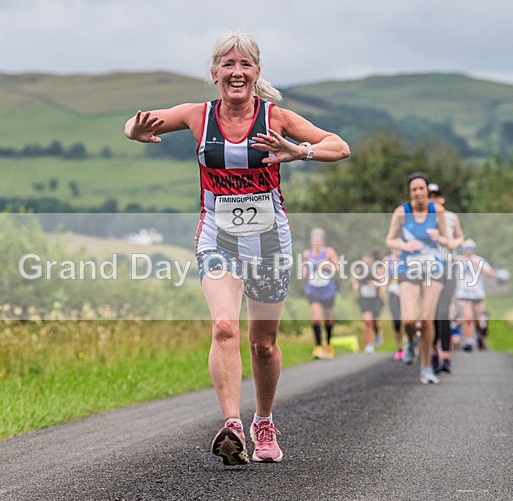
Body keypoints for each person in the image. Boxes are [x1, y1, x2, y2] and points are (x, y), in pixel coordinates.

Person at [125, 31, 349, 466]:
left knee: (262, 344)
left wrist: (297, 151)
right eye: (228, 65)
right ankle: (232, 425)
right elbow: (137, 122)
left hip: (269, 242)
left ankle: (263, 421)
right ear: (214, 74)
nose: (237, 72)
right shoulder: (197, 116)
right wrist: (135, 130)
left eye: (245, 65)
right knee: (224, 327)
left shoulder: (276, 118)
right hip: (217, 238)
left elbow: (338, 146)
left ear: (257, 73)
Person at [385, 173, 450, 384]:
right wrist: (403, 245)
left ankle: (426, 367)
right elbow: (390, 239)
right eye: (414, 190)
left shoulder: (437, 211)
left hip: (434, 268)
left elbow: (447, 241)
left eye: (421, 188)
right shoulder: (401, 213)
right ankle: (411, 339)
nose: (418, 193)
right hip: (408, 267)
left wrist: (437, 237)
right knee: (409, 321)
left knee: (426, 318)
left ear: (427, 191)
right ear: (410, 192)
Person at [427, 183, 464, 374]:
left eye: (436, 195)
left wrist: (450, 242)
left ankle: (446, 357)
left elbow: (459, 238)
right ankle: (433, 353)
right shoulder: (423, 218)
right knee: (431, 313)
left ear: (442, 198)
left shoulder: (451, 217)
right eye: (429, 196)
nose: (433, 199)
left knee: (443, 311)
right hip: (429, 268)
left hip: (448, 265)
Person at [302, 228, 340, 360]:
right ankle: (318, 347)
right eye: (314, 239)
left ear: (323, 240)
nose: (316, 241)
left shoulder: (329, 252)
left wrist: (327, 267)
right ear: (311, 241)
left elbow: (337, 267)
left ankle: (328, 345)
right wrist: (304, 273)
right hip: (313, 289)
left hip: (328, 289)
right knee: (316, 318)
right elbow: (304, 270)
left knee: (328, 319)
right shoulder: (307, 254)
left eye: (319, 239)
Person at [456, 239, 494, 352]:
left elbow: (490, 274)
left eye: (470, 249)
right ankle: (469, 341)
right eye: (466, 249)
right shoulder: (459, 260)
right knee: (467, 318)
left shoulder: (479, 260)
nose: (468, 251)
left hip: (477, 293)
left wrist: (477, 264)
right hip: (463, 293)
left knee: (479, 321)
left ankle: (480, 337)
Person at [352, 249, 385, 355]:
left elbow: (383, 283)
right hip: (364, 298)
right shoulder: (359, 269)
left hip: (375, 299)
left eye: (368, 259)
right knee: (367, 321)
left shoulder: (378, 269)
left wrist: (376, 285)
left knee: (375, 322)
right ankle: (370, 344)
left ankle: (377, 334)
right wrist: (356, 288)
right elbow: (355, 282)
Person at [384, 247, 404, 360]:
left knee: (408, 320)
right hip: (393, 293)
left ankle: (411, 342)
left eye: (399, 248)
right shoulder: (388, 260)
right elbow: (384, 277)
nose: (398, 251)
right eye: (395, 248)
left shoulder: (407, 259)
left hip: (406, 293)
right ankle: (399, 347)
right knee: (397, 321)